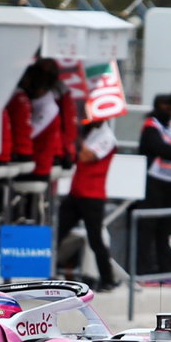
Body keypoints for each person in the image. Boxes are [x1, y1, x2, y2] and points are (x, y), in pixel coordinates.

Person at [56, 115, 119, 291]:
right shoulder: (91, 132)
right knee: (57, 234)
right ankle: (43, 272)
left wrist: (75, 136)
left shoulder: (107, 137)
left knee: (95, 239)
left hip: (93, 196)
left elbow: (86, 156)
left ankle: (108, 279)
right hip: (76, 192)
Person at [136, 93, 171, 280]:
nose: (169, 111)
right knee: (148, 225)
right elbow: (156, 148)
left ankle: (165, 270)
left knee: (166, 227)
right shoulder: (151, 125)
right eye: (165, 107)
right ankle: (143, 270)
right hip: (153, 181)